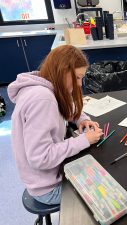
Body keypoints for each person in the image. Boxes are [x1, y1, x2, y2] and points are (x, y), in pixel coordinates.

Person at [8, 45, 103, 205]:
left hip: (48, 176)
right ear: (63, 72)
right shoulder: (43, 100)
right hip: (48, 188)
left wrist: (82, 119)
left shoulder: (45, 83)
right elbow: (41, 158)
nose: (79, 84)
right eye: (77, 77)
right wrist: (84, 140)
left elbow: (68, 106)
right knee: (104, 190)